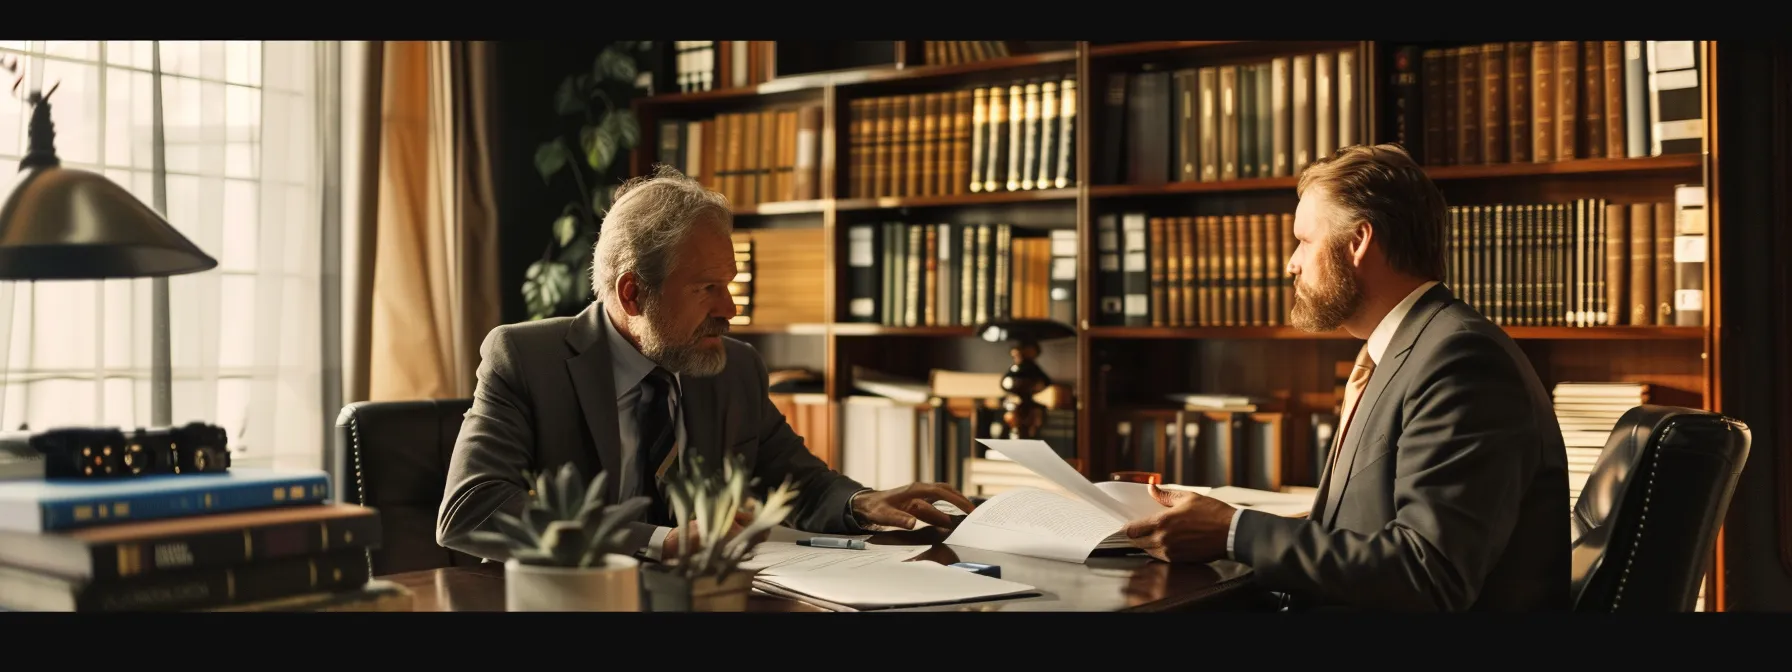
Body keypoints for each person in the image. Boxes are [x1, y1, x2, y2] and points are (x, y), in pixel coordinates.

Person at [437, 165, 975, 562]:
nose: (731, 309)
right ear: (632, 295)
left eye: (731, 285)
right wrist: (658, 541)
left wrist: (862, 501)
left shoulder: (734, 368)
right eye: (707, 289)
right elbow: (474, 508)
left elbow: (800, 484)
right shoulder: (527, 360)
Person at [1120, 144, 1569, 611]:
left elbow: (1429, 571)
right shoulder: (1405, 351)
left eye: (1305, 241)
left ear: (1358, 243)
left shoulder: (1460, 359)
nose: (1291, 263)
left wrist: (1233, 531)